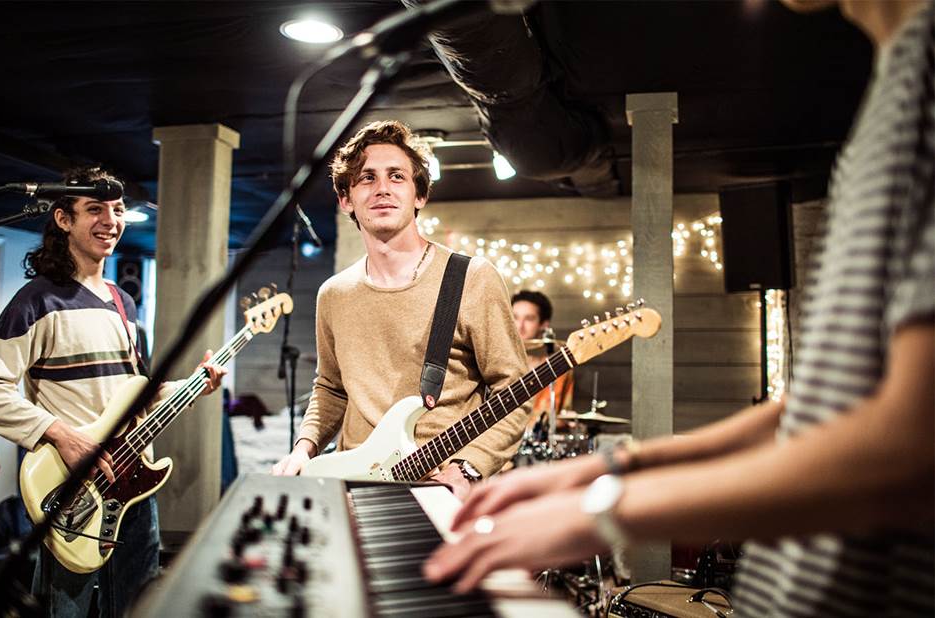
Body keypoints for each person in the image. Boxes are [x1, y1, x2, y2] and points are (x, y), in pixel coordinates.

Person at [424, 1, 935, 615]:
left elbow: (914, 447)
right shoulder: (895, 80)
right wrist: (612, 468)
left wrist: (608, 510)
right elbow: (825, 409)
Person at [0, 166, 226, 618]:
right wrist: (61, 434)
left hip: (134, 486)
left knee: (140, 604)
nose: (111, 220)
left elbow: (135, 392)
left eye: (118, 210)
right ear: (64, 220)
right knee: (70, 608)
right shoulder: (38, 300)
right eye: (95, 209)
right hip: (75, 491)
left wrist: (193, 385)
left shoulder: (123, 302)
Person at [271, 120, 530, 497]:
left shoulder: (471, 278)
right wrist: (303, 448)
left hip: (440, 487)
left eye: (396, 177)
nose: (382, 190)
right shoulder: (334, 294)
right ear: (346, 199)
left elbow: (514, 391)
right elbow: (331, 387)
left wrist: (468, 469)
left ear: (419, 195)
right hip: (354, 484)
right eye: (366, 179)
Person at [511, 290, 574, 423]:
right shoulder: (495, 363)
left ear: (543, 325)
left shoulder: (558, 369)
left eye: (529, 319)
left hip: (538, 440)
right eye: (514, 317)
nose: (519, 326)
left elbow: (563, 417)